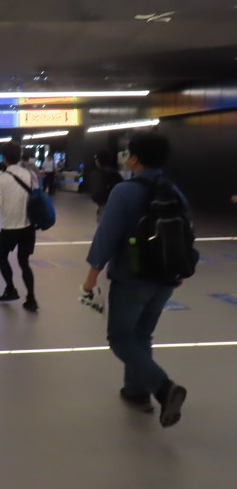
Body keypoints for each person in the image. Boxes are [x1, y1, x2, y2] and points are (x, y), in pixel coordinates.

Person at [81, 132, 188, 427]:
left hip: (132, 278)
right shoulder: (174, 191)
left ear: (135, 158)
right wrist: (179, 270)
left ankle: (163, 388)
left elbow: (106, 236)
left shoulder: (125, 191)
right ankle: (135, 391)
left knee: (119, 338)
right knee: (142, 335)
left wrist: (91, 277)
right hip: (165, 279)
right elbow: (185, 232)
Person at [0, 142, 39, 312]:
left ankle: (10, 288)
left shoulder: (0, 178)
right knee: (24, 263)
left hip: (9, 228)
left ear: (4, 158)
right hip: (28, 227)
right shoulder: (30, 175)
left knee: (2, 257)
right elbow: (36, 196)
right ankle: (31, 299)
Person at [89, 150, 123, 222]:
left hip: (104, 206)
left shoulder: (97, 173)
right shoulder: (116, 173)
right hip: (118, 206)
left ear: (98, 161)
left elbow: (97, 193)